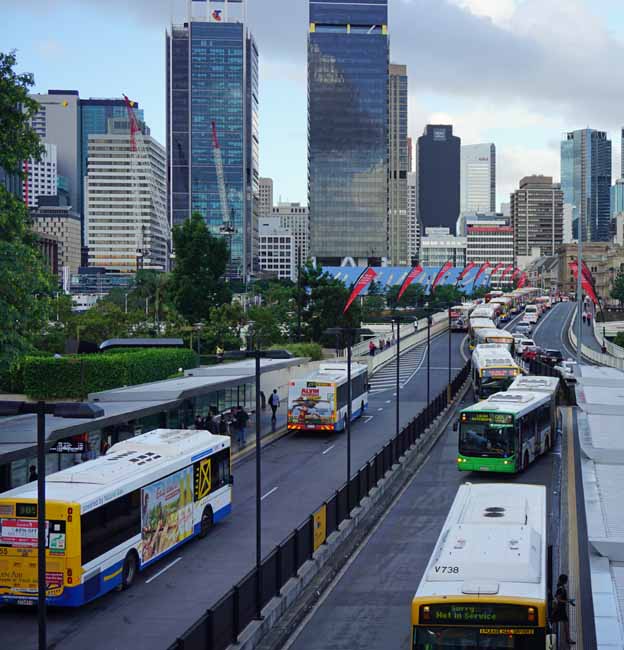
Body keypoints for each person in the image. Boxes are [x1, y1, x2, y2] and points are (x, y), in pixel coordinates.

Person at [551, 574, 575, 646]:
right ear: (564, 581)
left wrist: (569, 601)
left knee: (554, 622)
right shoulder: (561, 589)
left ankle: (567, 639)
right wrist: (568, 601)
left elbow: (561, 598)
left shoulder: (561, 587)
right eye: (566, 580)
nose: (567, 581)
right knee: (564, 623)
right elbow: (558, 599)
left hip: (560, 608)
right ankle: (567, 639)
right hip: (559, 609)